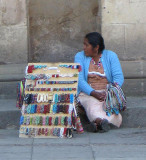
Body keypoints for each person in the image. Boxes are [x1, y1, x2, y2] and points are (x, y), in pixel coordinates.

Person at [74, 32, 124, 132]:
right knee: (92, 106)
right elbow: (80, 80)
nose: (84, 47)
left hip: (107, 93)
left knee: (113, 112)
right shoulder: (79, 56)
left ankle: (96, 124)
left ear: (96, 47)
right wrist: (93, 93)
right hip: (87, 93)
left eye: (86, 45)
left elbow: (118, 78)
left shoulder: (111, 56)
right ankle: (99, 122)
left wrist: (109, 93)